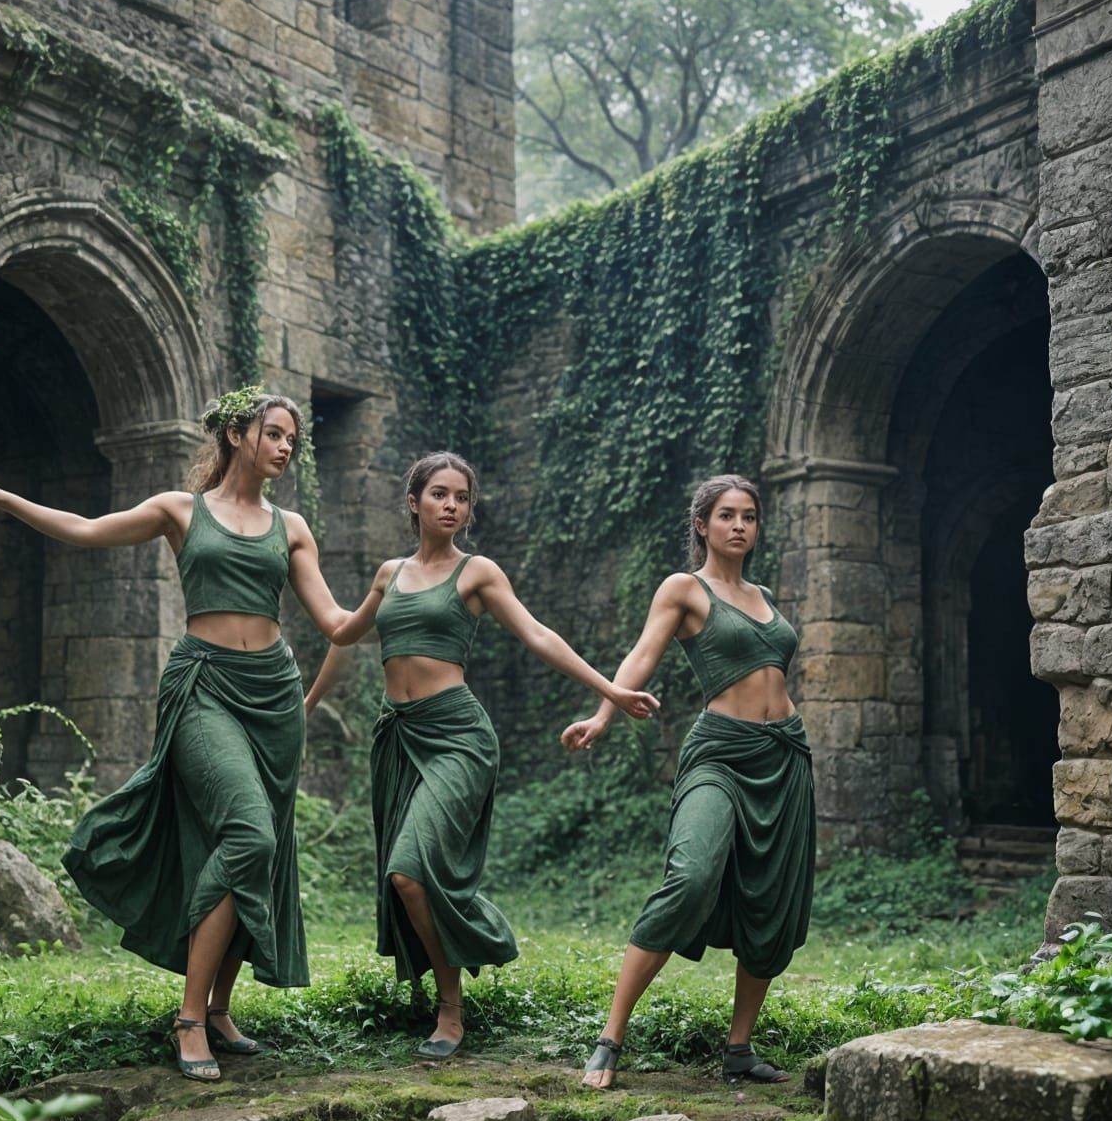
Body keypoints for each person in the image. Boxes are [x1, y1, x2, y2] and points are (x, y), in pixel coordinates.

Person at [0, 386, 360, 1083]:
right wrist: (6, 501)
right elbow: (85, 530)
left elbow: (336, 625)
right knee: (248, 833)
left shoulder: (291, 527)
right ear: (237, 434)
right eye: (275, 433)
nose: (287, 447)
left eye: (294, 439)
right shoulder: (181, 511)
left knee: (251, 850)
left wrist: (395, 591)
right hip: (202, 687)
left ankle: (223, 1008)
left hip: (272, 699)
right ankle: (190, 1017)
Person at [305, 451, 658, 1059]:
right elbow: (344, 635)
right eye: (440, 494)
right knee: (407, 875)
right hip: (397, 737)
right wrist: (303, 708)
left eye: (462, 498)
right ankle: (447, 980)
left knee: (408, 869)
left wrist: (609, 691)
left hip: (458, 738)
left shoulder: (477, 573)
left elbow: (538, 634)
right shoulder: (389, 574)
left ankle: (450, 1007)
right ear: (414, 502)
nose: (452, 505)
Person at [563, 475, 815, 1089]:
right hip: (719, 756)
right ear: (702, 525)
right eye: (726, 515)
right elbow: (642, 655)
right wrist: (604, 711)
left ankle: (739, 1050)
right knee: (692, 875)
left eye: (749, 516)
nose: (739, 526)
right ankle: (609, 1037)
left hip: (783, 757)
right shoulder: (685, 588)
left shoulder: (765, 595)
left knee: (769, 900)